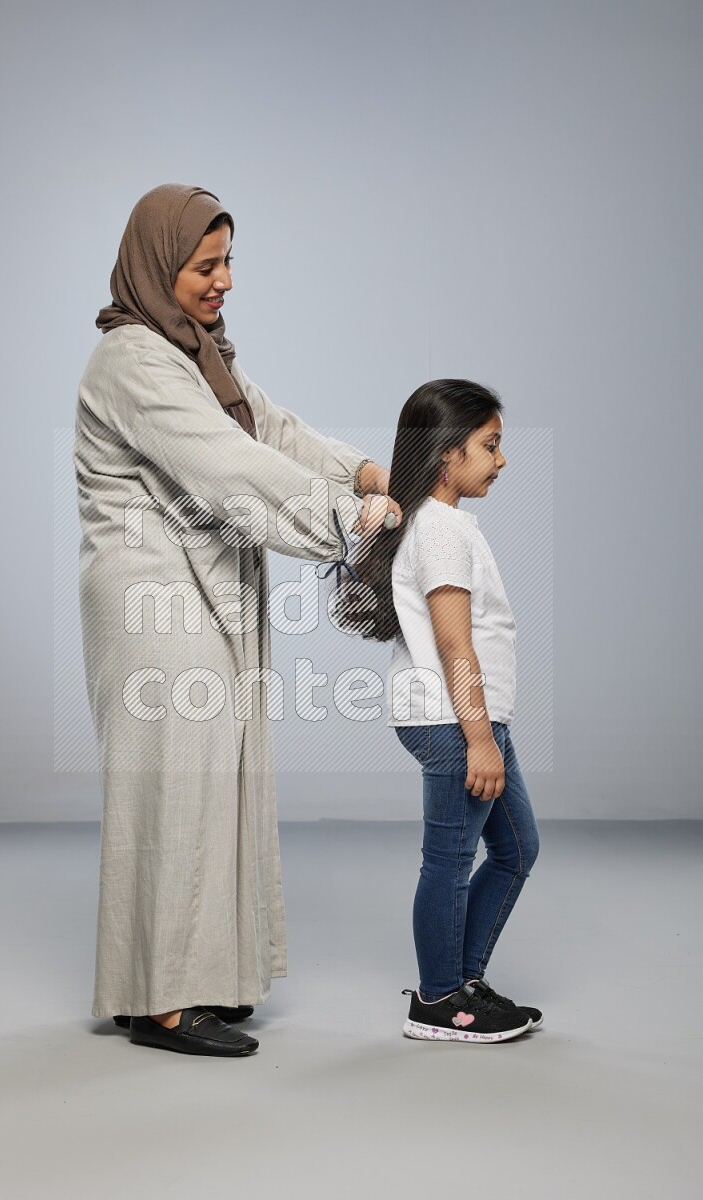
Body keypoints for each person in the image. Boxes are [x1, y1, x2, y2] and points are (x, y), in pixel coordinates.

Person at [73, 183, 401, 1057]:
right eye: (204, 265)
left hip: (200, 588)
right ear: (157, 265)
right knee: (174, 787)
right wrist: (347, 518)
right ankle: (163, 1002)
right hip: (154, 599)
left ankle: (199, 979)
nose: (223, 281)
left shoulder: (195, 353)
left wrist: (366, 469)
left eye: (228, 264)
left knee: (218, 783)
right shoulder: (134, 361)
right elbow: (227, 471)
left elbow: (272, 432)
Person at [332, 379, 541, 1043]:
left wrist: (486, 730)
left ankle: (463, 982)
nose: (500, 459)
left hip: (471, 720)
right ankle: (440, 1001)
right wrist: (480, 738)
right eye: (490, 445)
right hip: (456, 722)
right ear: (448, 456)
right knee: (449, 860)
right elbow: (455, 642)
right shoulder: (442, 532)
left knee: (515, 848)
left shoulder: (437, 525)